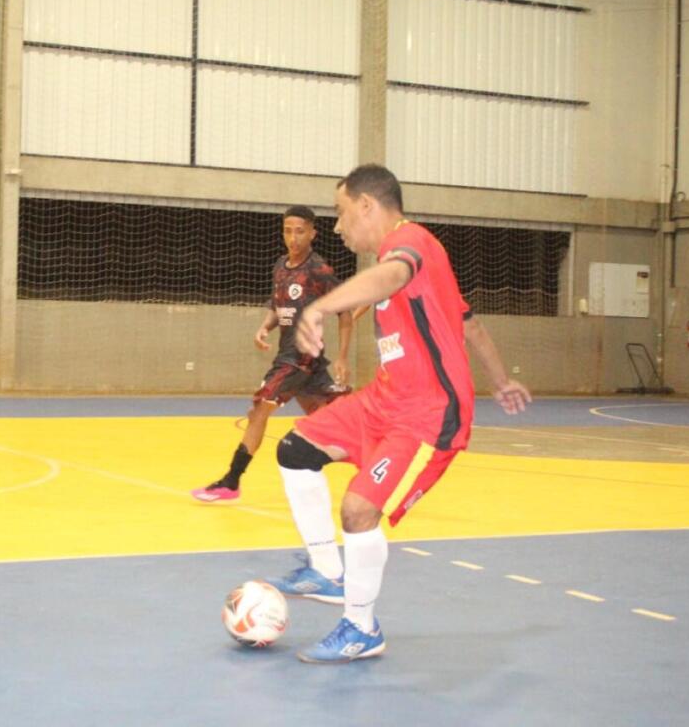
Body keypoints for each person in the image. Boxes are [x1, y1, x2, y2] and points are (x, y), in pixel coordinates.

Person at [263, 164, 532, 663]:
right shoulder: (421, 261)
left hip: (428, 417)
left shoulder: (410, 245)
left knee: (358, 511)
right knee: (295, 450)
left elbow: (392, 274)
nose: (338, 227)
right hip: (384, 401)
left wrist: (319, 309)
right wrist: (501, 380)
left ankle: (361, 628)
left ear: (367, 205)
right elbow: (469, 325)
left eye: (342, 213)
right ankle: (326, 569)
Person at [192, 205, 354, 503]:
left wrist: (343, 357)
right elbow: (278, 306)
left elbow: (345, 311)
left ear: (313, 233)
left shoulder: (318, 270)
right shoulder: (281, 265)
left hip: (299, 359)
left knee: (259, 410)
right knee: (336, 425)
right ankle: (380, 470)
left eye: (300, 231)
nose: (293, 238)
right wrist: (265, 327)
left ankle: (231, 482)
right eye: (288, 231)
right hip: (301, 361)